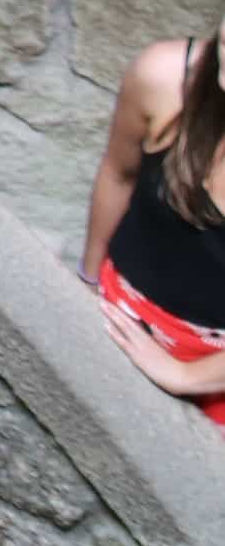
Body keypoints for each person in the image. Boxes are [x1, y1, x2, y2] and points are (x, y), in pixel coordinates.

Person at [81, 21, 225, 424]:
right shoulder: (165, 77)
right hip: (120, 313)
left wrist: (184, 375)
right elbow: (118, 173)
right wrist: (86, 282)